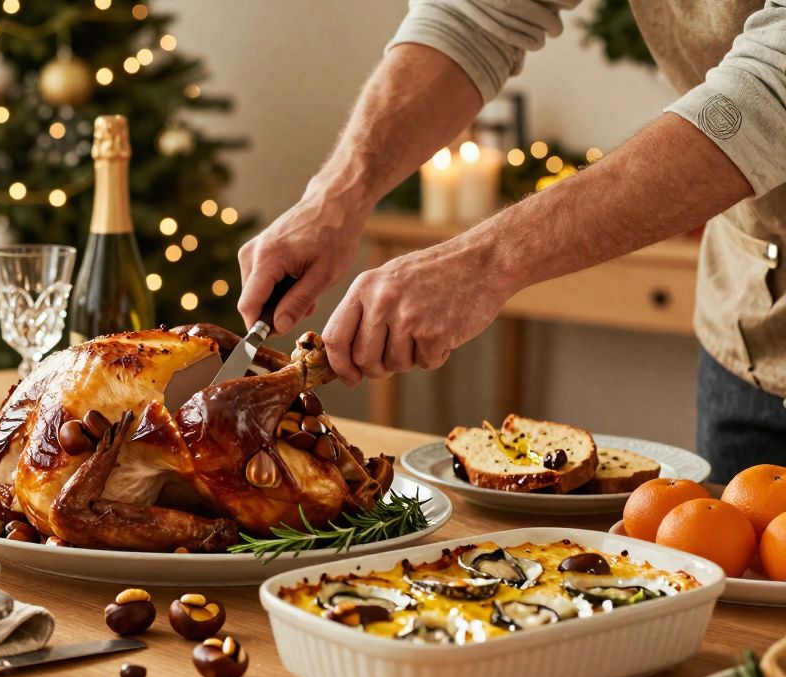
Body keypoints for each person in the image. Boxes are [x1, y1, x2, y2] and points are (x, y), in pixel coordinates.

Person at [237, 0, 786, 483]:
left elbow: (771, 86)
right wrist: (334, 196)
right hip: (746, 322)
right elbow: (473, 16)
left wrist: (483, 263)